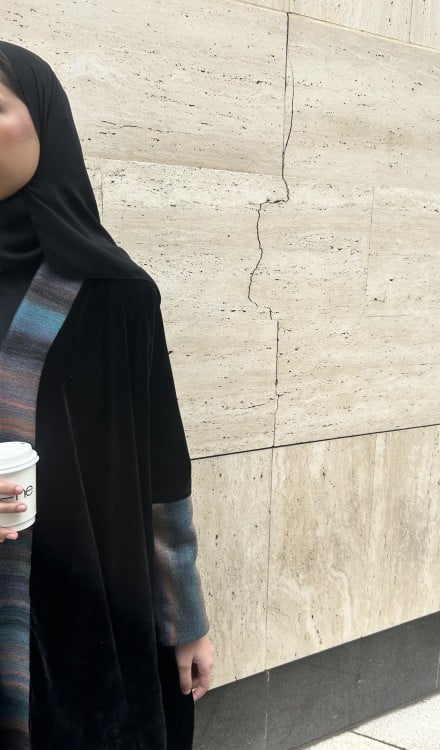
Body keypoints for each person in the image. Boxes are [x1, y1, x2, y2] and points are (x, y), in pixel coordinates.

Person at [0, 41, 215, 750]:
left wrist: (184, 621)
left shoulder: (115, 296)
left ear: (46, 124)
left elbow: (161, 472)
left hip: (78, 630)